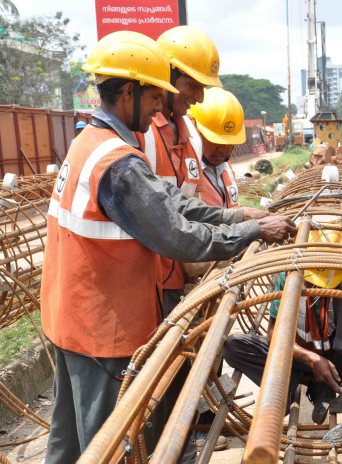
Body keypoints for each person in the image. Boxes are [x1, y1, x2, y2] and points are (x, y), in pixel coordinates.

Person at [40, 31, 297, 463]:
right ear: (128, 93)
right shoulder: (117, 164)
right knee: (111, 446)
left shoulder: (96, 144)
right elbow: (176, 236)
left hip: (70, 318)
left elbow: (171, 200)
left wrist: (240, 216)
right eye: (155, 95)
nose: (162, 104)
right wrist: (251, 234)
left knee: (68, 445)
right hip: (104, 329)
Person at [134, 25, 269, 317]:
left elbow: (186, 204)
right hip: (146, 281)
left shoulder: (191, 137)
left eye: (203, 88)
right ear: (166, 74)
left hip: (185, 272)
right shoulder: (140, 134)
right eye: (193, 85)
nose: (198, 98)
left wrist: (238, 221)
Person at [223, 229, 342, 424]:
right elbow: (273, 333)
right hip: (308, 356)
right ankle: (315, 383)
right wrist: (311, 359)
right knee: (234, 346)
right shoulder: (292, 275)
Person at [189, 87, 244, 208]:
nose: (223, 149)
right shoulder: (188, 171)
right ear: (196, 131)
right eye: (216, 141)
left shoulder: (225, 167)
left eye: (229, 142)